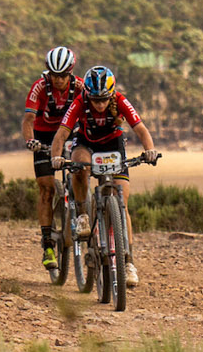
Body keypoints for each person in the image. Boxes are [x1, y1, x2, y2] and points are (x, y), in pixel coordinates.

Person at [50, 65, 158, 288]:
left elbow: (140, 128)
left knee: (122, 204)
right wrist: (56, 157)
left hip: (113, 145)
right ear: (88, 95)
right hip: (86, 143)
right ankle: (83, 215)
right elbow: (61, 134)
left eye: (104, 100)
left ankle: (128, 262)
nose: (100, 104)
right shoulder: (80, 102)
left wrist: (150, 150)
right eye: (95, 100)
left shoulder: (120, 100)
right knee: (79, 168)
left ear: (111, 95)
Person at [21, 45, 80, 272]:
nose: (58, 80)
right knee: (46, 188)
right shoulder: (39, 88)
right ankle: (47, 244)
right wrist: (30, 141)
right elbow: (28, 119)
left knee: (80, 175)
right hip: (44, 136)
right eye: (54, 75)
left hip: (69, 134)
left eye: (63, 75)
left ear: (70, 73)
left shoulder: (80, 87)